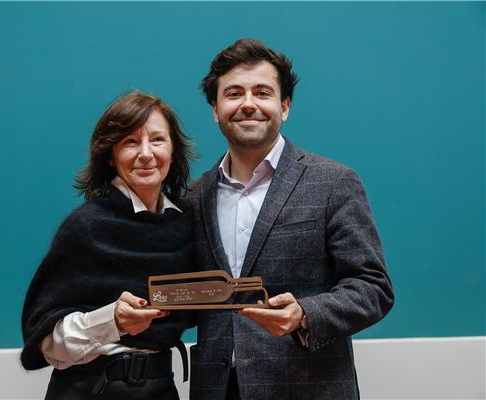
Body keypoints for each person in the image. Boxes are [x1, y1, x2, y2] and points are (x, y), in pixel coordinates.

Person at [184, 38, 394, 399]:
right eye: (233, 94)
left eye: (262, 93)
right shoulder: (193, 196)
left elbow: (373, 288)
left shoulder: (333, 182)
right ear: (216, 110)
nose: (248, 104)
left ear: (284, 106)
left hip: (307, 387)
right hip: (216, 389)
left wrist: (304, 314)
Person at [21, 91, 197, 399]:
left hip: (162, 387)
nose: (146, 153)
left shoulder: (187, 225)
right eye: (130, 141)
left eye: (158, 140)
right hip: (90, 389)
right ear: (111, 156)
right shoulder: (85, 226)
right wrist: (112, 321)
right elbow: (47, 343)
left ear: (173, 152)